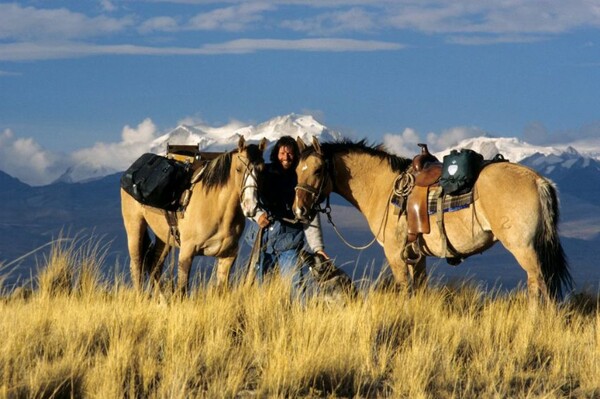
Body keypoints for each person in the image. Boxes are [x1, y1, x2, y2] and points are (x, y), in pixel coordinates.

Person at [246, 135, 328, 299]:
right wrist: (257, 216)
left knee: (295, 285)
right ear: (276, 154)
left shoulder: (301, 179)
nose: (286, 157)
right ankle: (264, 318)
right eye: (282, 153)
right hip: (263, 240)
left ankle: (301, 320)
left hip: (290, 241)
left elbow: (310, 216)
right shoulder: (263, 173)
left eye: (290, 153)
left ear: (296, 155)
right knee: (263, 287)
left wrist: (318, 248)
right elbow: (248, 199)